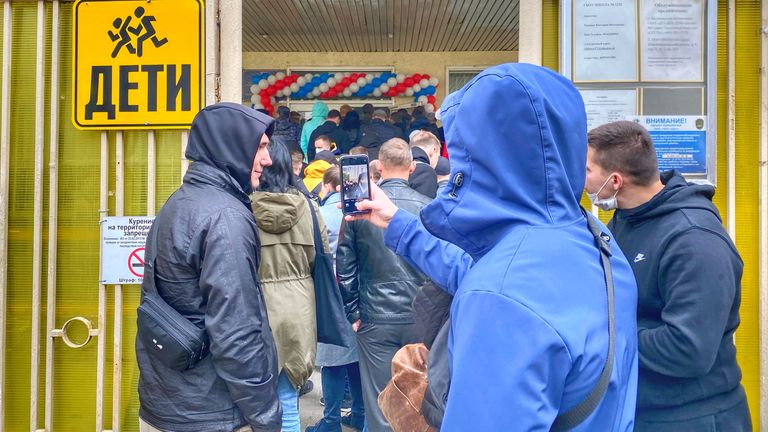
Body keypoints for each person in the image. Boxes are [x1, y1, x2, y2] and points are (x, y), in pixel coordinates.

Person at [344, 63, 639, 431]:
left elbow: (498, 291)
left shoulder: (500, 297)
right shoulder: (594, 239)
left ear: (483, 159)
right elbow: (484, 275)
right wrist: (399, 225)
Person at [585, 120, 751, 431]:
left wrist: (605, 338)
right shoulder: (627, 218)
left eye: (587, 171)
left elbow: (688, 348)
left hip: (693, 418)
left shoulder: (694, 241)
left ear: (615, 180)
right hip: (644, 409)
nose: (583, 182)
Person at [136, 103, 281, 432]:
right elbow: (237, 334)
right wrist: (266, 419)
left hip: (169, 403)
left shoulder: (180, 201)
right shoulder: (225, 218)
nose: (268, 160)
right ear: (231, 146)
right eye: (260, 147)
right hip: (214, 413)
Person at [336, 138, 431, 432]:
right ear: (412, 167)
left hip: (375, 315)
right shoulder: (428, 208)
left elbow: (345, 264)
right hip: (421, 314)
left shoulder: (360, 209)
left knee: (380, 405)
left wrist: (353, 312)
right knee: (423, 401)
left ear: (377, 167)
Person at [252, 141, 330, 432]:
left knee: (252, 403)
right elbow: (321, 258)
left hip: (256, 309)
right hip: (299, 308)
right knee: (288, 400)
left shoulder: (242, 209)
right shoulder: (309, 209)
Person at [306, 166, 367, 432]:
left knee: (332, 359)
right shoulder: (365, 213)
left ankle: (330, 421)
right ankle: (360, 415)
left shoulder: (320, 213)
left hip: (330, 291)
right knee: (355, 357)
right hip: (360, 291)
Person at [408, 130, 440, 198]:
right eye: (438, 156)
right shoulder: (426, 172)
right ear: (433, 150)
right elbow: (424, 205)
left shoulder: (396, 164)